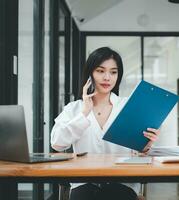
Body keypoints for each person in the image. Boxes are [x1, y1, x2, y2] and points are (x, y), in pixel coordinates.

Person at [50, 47, 160, 200]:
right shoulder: (74, 108)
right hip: (84, 183)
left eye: (113, 72)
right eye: (100, 71)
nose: (107, 77)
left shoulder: (129, 107)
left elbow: (139, 153)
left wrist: (146, 145)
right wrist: (84, 113)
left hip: (122, 183)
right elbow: (57, 143)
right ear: (90, 74)